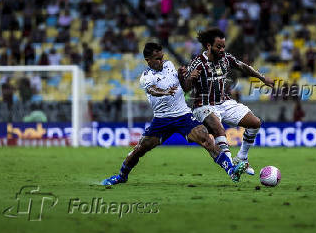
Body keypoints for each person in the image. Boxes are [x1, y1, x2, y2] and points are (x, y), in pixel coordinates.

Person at [102, 43, 247, 186]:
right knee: (140, 149)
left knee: (206, 139)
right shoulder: (146, 77)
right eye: (157, 59)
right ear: (148, 61)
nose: (161, 61)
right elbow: (152, 90)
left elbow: (184, 86)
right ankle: (121, 176)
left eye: (162, 57)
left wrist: (182, 76)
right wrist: (165, 92)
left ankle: (231, 170)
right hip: (161, 120)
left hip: (183, 116)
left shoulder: (169, 65)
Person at [179, 28, 274, 176]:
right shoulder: (197, 63)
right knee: (219, 129)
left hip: (225, 102)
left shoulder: (225, 58)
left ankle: (242, 156)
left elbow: (242, 66)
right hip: (203, 106)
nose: (222, 49)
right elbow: (185, 88)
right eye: (219, 46)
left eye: (224, 46)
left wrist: (262, 78)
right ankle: (231, 168)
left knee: (255, 123)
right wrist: (189, 77)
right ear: (209, 46)